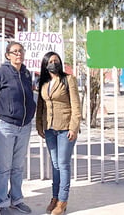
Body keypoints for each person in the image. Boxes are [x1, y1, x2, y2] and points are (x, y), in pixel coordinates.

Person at [0, 41, 36, 215]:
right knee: (4, 167)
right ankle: (2, 202)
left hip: (24, 127)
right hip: (5, 127)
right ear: (7, 55)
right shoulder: (0, 73)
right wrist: (0, 116)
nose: (18, 54)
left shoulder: (27, 74)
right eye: (14, 52)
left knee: (18, 167)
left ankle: (17, 199)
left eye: (21, 51)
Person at [36, 52, 81, 215]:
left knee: (63, 164)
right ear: (45, 64)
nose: (54, 63)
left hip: (65, 128)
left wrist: (74, 127)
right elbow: (40, 106)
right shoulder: (43, 82)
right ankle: (54, 197)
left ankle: (63, 200)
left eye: (57, 61)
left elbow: (76, 105)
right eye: (51, 61)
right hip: (49, 129)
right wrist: (39, 125)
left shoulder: (69, 80)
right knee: (54, 165)